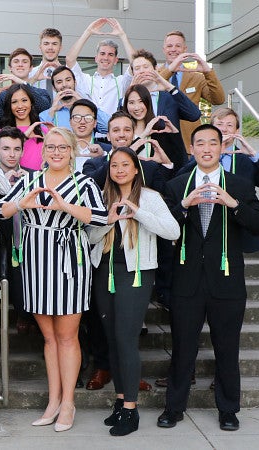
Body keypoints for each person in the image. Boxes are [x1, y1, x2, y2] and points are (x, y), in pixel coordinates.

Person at [157, 124, 259, 432]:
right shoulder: (177, 185)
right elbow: (162, 227)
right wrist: (184, 205)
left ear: (221, 148)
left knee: (227, 347)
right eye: (200, 143)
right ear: (191, 149)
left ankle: (229, 410)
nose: (206, 148)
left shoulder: (240, 185)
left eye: (212, 143)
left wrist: (233, 204)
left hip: (227, 281)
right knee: (182, 348)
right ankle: (174, 408)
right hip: (186, 281)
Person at [0, 127, 108, 432]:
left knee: (67, 337)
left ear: (72, 151)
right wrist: (22, 204)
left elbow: (100, 217)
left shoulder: (83, 182)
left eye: (62, 147)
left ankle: (68, 403)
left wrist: (64, 205)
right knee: (48, 338)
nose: (56, 152)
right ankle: (53, 400)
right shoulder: (29, 180)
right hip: (35, 262)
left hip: (69, 260)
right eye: (51, 147)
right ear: (43, 152)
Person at [87, 146, 179, 436]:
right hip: (104, 271)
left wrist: (138, 213)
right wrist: (109, 220)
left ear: (136, 168)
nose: (120, 170)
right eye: (114, 165)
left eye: (125, 165)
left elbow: (172, 230)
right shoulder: (102, 197)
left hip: (135, 274)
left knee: (126, 338)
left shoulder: (149, 197)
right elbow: (88, 235)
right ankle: (119, 401)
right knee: (112, 339)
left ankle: (131, 409)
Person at [177, 107, 259, 253]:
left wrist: (254, 155)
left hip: (237, 231)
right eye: (219, 125)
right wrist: (211, 152)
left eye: (229, 125)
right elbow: (178, 181)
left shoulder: (245, 159)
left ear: (236, 131)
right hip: (202, 228)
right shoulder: (199, 156)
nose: (224, 129)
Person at [0, 127, 35, 332]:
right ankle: (23, 312)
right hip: (2, 237)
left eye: (17, 149)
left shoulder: (33, 177)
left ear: (23, 151)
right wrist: (7, 187)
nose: (12, 154)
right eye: (6, 148)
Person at [157, 31, 226, 148]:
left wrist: (208, 72)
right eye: (169, 46)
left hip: (189, 142)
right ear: (164, 49)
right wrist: (170, 70)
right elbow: (152, 88)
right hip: (161, 140)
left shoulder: (196, 77)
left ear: (185, 49)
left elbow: (218, 99)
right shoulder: (156, 75)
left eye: (178, 46)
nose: (173, 49)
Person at [66, 18, 136, 114]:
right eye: (102, 53)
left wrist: (122, 35)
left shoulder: (121, 82)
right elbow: (70, 59)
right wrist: (88, 32)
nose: (106, 58)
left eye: (110, 54)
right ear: (96, 58)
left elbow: (136, 63)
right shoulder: (85, 80)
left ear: (116, 60)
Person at [128, 49, 201, 140]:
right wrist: (131, 92)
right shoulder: (126, 101)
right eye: (137, 68)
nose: (142, 71)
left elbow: (194, 115)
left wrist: (169, 87)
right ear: (133, 73)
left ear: (156, 68)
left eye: (146, 67)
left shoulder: (170, 97)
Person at [0, 48, 52, 131]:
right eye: (16, 61)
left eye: (25, 62)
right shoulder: (3, 95)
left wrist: (23, 84)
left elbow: (43, 106)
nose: (20, 65)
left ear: (31, 68)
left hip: (36, 139)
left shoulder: (41, 92)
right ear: (10, 68)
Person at [39, 66, 110, 135]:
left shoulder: (89, 110)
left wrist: (85, 103)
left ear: (75, 83)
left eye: (68, 80)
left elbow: (108, 127)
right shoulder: (45, 115)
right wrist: (52, 110)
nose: (64, 85)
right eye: (59, 82)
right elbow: (44, 137)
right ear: (54, 88)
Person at [0, 83, 48, 170]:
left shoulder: (44, 132)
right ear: (9, 106)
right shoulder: (2, 133)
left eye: (24, 100)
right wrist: (23, 137)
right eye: (14, 102)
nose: (20, 106)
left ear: (31, 102)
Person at [65, 98, 111, 171]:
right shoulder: (62, 149)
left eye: (88, 118)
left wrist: (102, 155)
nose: (82, 122)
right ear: (70, 122)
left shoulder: (107, 150)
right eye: (77, 117)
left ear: (95, 123)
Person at [28, 28, 64, 95]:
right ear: (40, 47)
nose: (50, 47)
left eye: (54, 44)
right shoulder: (30, 74)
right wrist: (34, 79)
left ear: (60, 47)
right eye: (46, 44)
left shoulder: (69, 74)